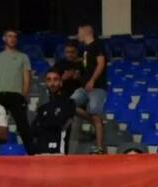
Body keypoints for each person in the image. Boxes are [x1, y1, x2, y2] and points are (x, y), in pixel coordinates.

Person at [0, 30, 33, 152]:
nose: (12, 39)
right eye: (9, 36)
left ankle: (32, 153)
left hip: (16, 95)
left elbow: (27, 79)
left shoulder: (23, 57)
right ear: (4, 38)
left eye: (14, 37)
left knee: (23, 126)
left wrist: (24, 95)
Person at [72, 24, 108, 154]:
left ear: (86, 32)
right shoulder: (85, 49)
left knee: (95, 113)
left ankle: (99, 147)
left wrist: (92, 80)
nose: (77, 35)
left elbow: (101, 63)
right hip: (84, 87)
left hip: (97, 87)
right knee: (69, 105)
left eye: (79, 32)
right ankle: (96, 123)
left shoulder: (98, 45)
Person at [27, 68, 76, 155]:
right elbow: (33, 130)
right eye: (49, 80)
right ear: (46, 83)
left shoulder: (69, 103)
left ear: (61, 82)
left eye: (55, 79)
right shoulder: (42, 106)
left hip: (58, 151)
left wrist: (44, 123)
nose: (52, 83)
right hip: (40, 150)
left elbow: (60, 124)